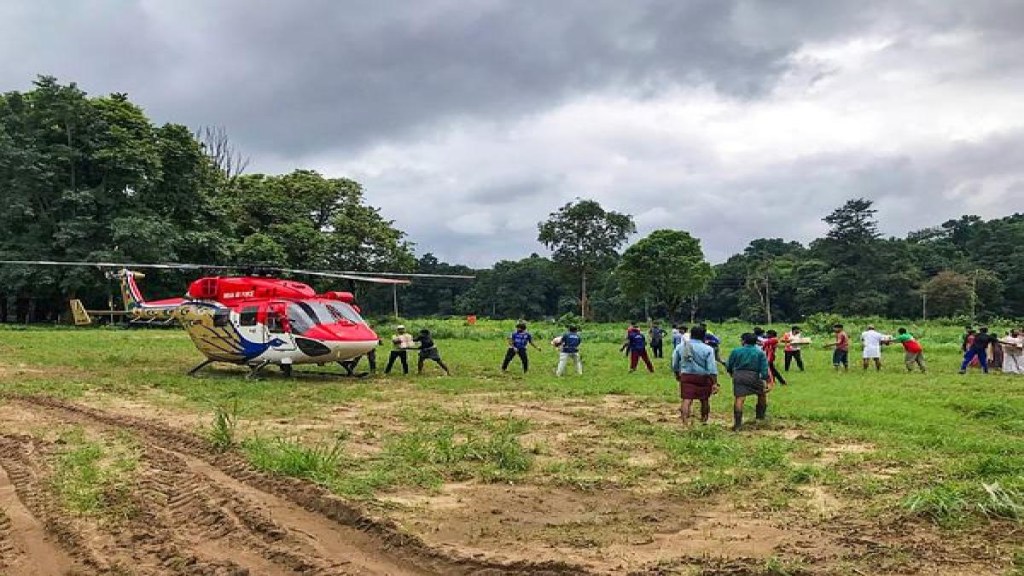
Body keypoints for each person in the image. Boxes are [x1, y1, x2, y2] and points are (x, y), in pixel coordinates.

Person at [671, 325, 719, 426]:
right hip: (703, 378)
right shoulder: (708, 349)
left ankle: (685, 423)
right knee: (704, 399)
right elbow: (712, 368)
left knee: (686, 399)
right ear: (703, 336)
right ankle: (704, 420)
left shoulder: (681, 346)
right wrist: (714, 382)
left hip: (687, 376)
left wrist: (677, 374)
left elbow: (675, 363)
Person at [726, 333, 771, 431]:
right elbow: (764, 368)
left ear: (743, 341)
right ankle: (760, 417)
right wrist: (766, 381)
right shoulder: (760, 352)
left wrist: (731, 373)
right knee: (762, 394)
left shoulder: (736, 351)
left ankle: (737, 424)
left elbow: (729, 364)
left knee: (739, 399)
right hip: (753, 375)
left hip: (739, 375)